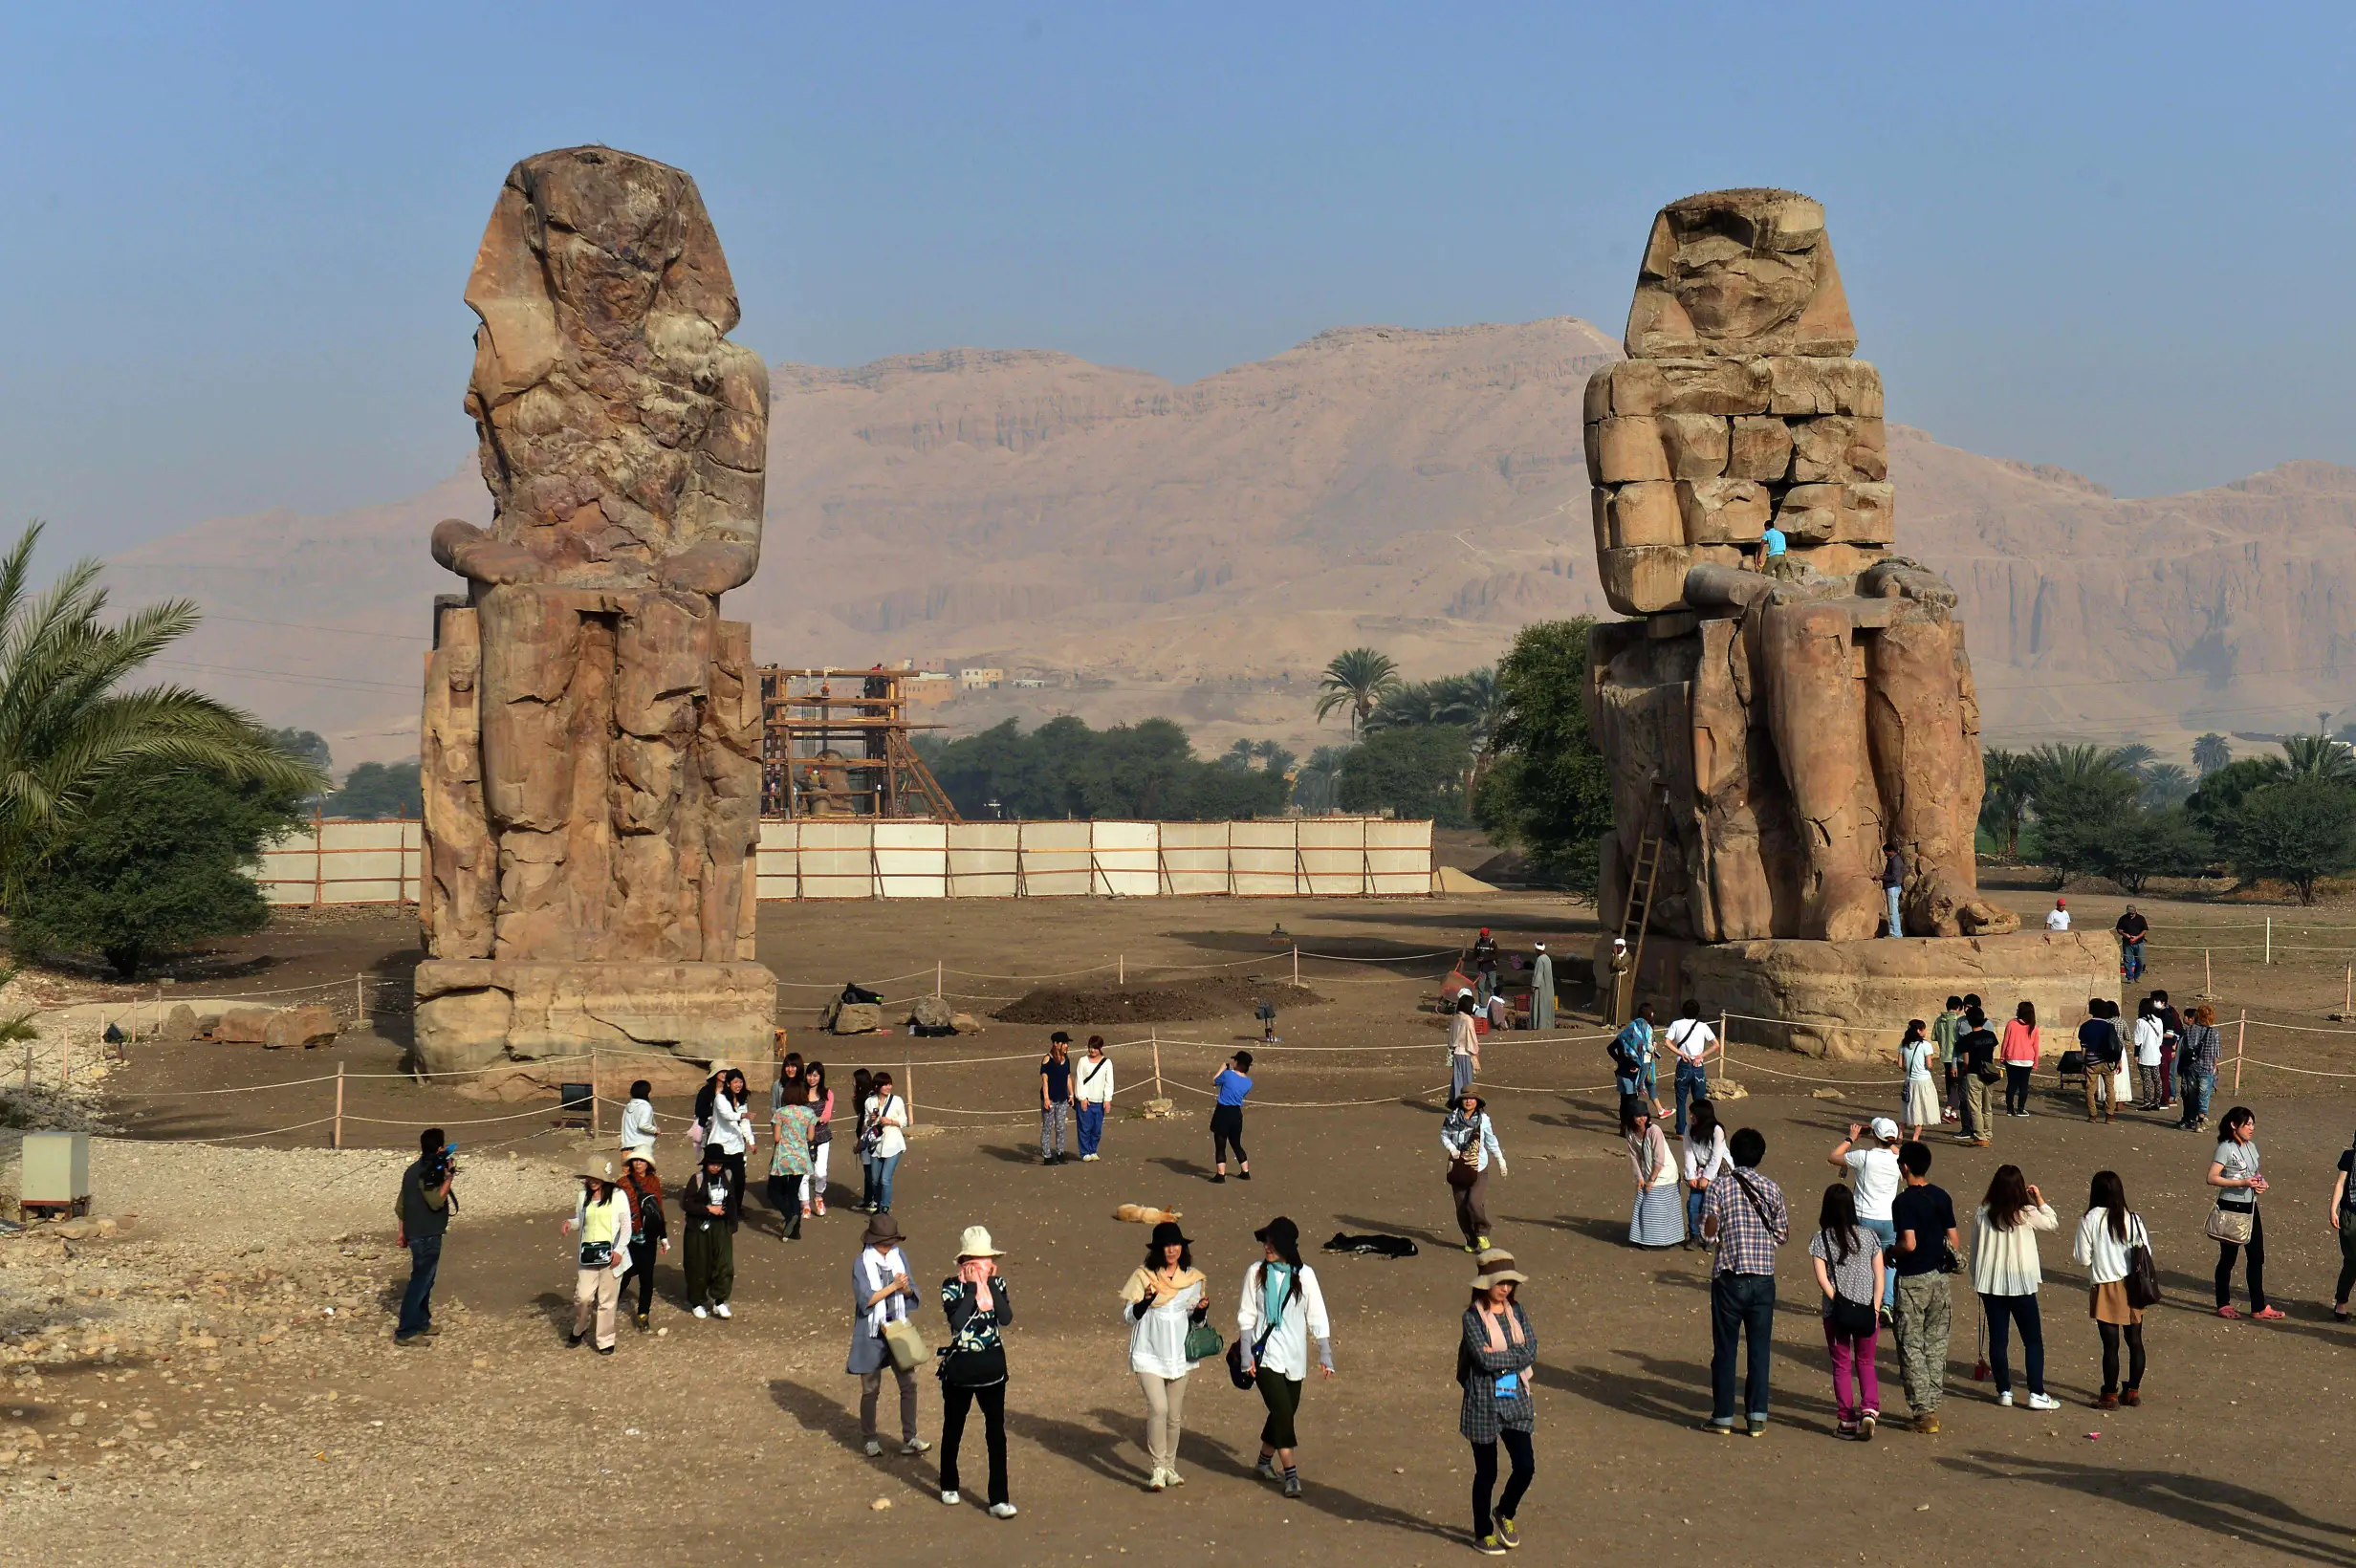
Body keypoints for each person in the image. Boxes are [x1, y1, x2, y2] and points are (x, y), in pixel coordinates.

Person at [1235, 1216, 1334, 1498]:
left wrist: (1325, 1353)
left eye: (1272, 1242)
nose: (1267, 1246)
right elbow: (1247, 1315)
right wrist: (1246, 1355)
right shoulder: (1255, 1272)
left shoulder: (1305, 1275)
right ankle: (1291, 1474)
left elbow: (1316, 1315)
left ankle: (1263, 1462)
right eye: (1266, 1241)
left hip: (1295, 1357)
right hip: (1264, 1356)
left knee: (1286, 1410)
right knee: (1282, 1412)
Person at [1700, 1126, 1787, 1436]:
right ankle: (1756, 1417)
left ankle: (1723, 1416)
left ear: (1732, 1154)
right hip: (1763, 1279)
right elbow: (1782, 1234)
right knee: (1759, 1350)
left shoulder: (1719, 1187)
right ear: (1760, 1155)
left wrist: (1716, 1230)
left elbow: (1708, 1235)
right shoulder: (1771, 1188)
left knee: (1725, 1349)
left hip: (1730, 1275)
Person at [1121, 1219, 1209, 1491]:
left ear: (1182, 1247)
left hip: (1180, 1355)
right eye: (1166, 1246)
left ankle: (1170, 1467)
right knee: (1159, 1408)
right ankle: (1157, 1468)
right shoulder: (1143, 1276)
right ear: (1157, 1250)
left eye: (1175, 1245)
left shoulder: (1192, 1278)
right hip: (1148, 1353)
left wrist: (1202, 1310)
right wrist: (1146, 1301)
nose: (1171, 1250)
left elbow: (1198, 1321)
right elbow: (1127, 1316)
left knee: (1174, 1415)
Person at [938, 1225, 1017, 1517]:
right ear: (963, 1262)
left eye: (986, 1259)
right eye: (975, 1260)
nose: (981, 1265)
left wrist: (992, 1286)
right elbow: (958, 1322)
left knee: (996, 1434)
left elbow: (1006, 1318)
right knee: (954, 1428)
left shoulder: (998, 1284)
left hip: (993, 1369)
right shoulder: (951, 1286)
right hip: (961, 1370)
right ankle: (949, 1484)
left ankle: (998, 1498)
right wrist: (972, 1288)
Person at [1459, 1252, 1536, 1555]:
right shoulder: (1471, 1317)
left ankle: (1505, 1511)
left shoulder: (1517, 1311)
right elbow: (1481, 1357)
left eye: (1509, 1283)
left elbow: (1531, 1351)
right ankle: (1482, 1533)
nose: (1505, 1289)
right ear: (1485, 1284)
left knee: (1526, 1466)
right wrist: (1512, 1358)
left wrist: (1501, 1358)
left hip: (1515, 1400)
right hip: (1483, 1403)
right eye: (1500, 1283)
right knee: (1487, 1473)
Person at [1971, 1164, 2061, 1408]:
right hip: (2021, 1284)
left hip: (1991, 1285)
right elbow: (2052, 1222)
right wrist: (2039, 1198)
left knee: (1998, 1341)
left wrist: (1976, 1281)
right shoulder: (2027, 1212)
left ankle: (2004, 1391)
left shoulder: (1983, 1212)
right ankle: (2036, 1393)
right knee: (2032, 1340)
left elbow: (1975, 1250)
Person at [1888, 1141, 1959, 1432]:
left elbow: (1909, 1243)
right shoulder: (1941, 1196)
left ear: (1904, 1167)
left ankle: (1924, 1411)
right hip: (1940, 1280)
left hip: (1912, 1281)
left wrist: (1890, 1253)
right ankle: (1933, 1401)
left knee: (1911, 1346)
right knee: (1936, 1346)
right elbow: (1954, 1242)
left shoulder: (1903, 1202)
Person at [847, 1213, 928, 1458]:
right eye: (885, 1242)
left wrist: (904, 1288)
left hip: (897, 1328)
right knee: (870, 1389)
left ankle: (910, 1437)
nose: (889, 1247)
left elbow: (912, 1291)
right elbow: (866, 1300)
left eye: (891, 1242)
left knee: (909, 1384)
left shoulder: (899, 1257)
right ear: (873, 1241)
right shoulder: (861, 1263)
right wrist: (893, 1287)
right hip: (872, 1332)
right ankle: (870, 1439)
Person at [1808, 1183, 1885, 1440]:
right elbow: (1879, 1273)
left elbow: (1822, 1278)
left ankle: (1846, 1420)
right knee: (1866, 1361)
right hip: (1866, 1309)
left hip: (1836, 1312)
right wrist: (1876, 1306)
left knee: (1841, 1364)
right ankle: (1870, 1409)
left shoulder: (1820, 1240)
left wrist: (1838, 1300)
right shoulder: (1869, 1236)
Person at [2072, 1170, 2150, 1408]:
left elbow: (2082, 1258)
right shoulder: (2132, 1218)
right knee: (2135, 1341)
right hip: (2132, 1286)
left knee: (2110, 1346)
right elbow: (2147, 1251)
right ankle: (2133, 1392)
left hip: (2105, 1286)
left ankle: (2110, 1394)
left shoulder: (2090, 1219)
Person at [2207, 1105, 2280, 1319]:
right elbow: (2212, 1177)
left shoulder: (2251, 1147)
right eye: (2247, 1124)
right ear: (2233, 1125)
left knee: (2257, 1257)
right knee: (2228, 1259)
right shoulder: (2225, 1148)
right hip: (2231, 1207)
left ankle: (2258, 1307)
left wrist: (2259, 1182)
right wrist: (2241, 1182)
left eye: (2252, 1124)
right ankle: (2223, 1303)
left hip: (2251, 1207)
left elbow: (2254, 1173)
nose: (2251, 1128)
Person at [1828, 1118, 1902, 1313]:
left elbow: (1834, 1157)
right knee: (1888, 1262)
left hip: (1862, 1217)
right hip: (1888, 1219)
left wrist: (1851, 1138)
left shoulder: (1863, 1157)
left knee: (1859, 1259)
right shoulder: (1898, 1161)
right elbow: (1901, 1156)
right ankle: (1886, 1303)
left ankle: (1859, 1299)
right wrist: (1891, 1142)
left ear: (1875, 1136)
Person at [562, 1164, 632, 1355]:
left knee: (607, 1300)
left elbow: (626, 1227)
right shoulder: (582, 1197)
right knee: (583, 1296)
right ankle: (581, 1325)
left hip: (611, 1255)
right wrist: (570, 1223)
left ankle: (605, 1340)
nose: (592, 1181)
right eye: (589, 1177)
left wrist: (618, 1251)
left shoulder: (618, 1197)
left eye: (596, 1177)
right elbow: (581, 1220)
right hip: (588, 1255)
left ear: (605, 1178)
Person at [393, 1127, 453, 1347]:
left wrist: (401, 1232)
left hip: (416, 1232)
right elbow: (436, 1201)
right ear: (439, 1147)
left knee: (426, 1279)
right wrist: (449, 1179)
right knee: (420, 1281)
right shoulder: (427, 1173)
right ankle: (406, 1331)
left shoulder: (411, 1171)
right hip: (426, 1234)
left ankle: (421, 1322)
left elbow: (401, 1206)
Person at [681, 1143, 740, 1320]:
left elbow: (732, 1202)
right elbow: (687, 1204)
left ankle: (719, 1301)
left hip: (721, 1227)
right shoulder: (697, 1179)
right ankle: (697, 1302)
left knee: (724, 1264)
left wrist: (732, 1226)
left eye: (719, 1164)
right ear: (706, 1163)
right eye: (712, 1163)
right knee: (698, 1265)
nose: (715, 1167)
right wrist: (707, 1209)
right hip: (699, 1228)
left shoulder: (728, 1177)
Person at [1443, 1092, 1507, 1253]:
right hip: (1458, 1168)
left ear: (1477, 1102)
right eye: (1465, 1099)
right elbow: (1444, 1135)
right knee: (1461, 1208)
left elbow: (1491, 1140)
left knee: (1474, 1202)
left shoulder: (1483, 1120)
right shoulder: (1451, 1118)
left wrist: (1501, 1160)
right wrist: (1452, 1148)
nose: (1469, 1101)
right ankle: (1470, 1240)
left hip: (1479, 1168)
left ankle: (1482, 1232)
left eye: (1472, 1099)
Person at [617, 1154, 667, 1331]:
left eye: (642, 1160)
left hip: (649, 1236)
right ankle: (609, 1303)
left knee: (647, 1277)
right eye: (635, 1161)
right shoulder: (622, 1183)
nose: (638, 1163)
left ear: (648, 1164)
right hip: (627, 1237)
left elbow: (658, 1209)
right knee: (625, 1273)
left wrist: (664, 1236)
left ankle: (643, 1314)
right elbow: (614, 1209)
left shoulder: (654, 1182)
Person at [1625, 1100, 1685, 1248]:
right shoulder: (1630, 1132)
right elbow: (1634, 1156)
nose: (1641, 1119)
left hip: (1665, 1171)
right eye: (1638, 1116)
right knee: (1645, 1204)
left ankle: (1669, 1239)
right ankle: (1646, 1238)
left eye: (1644, 1115)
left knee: (1661, 1206)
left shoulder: (1654, 1130)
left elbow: (1659, 1158)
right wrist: (1639, 1178)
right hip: (1649, 1171)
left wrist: (1652, 1180)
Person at [769, 1079, 818, 1241]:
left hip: (783, 1156)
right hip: (801, 1158)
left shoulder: (781, 1113)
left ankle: (789, 1216)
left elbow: (776, 1138)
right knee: (793, 1193)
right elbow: (811, 1136)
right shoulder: (809, 1113)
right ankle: (796, 1231)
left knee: (773, 1191)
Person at [1681, 1100, 1731, 1250]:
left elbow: (1716, 1157)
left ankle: (1710, 1238)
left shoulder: (1717, 1130)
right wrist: (1691, 1176)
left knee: (1712, 1206)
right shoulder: (1689, 1129)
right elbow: (1688, 1153)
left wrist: (1706, 1177)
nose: (1691, 1116)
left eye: (1693, 1113)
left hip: (1718, 1172)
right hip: (1698, 1170)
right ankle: (1694, 1236)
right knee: (1693, 1204)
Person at [1665, 1000, 1714, 1136]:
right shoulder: (1703, 1026)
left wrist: (1680, 1052)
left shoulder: (1676, 1024)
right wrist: (1701, 1055)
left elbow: (1667, 1042)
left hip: (1683, 1064)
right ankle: (1700, 1129)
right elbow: (1716, 1044)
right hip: (1698, 1065)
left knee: (1681, 1100)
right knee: (1700, 1101)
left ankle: (1681, 1130)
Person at [863, 1072, 908, 1214]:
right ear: (877, 1086)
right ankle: (878, 1204)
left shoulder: (897, 1101)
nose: (888, 1087)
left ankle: (884, 1207)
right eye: (885, 1084)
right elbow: (866, 1123)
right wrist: (872, 1119)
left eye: (890, 1084)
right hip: (876, 1144)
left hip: (893, 1143)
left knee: (885, 1179)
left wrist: (890, 1121)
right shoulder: (869, 1102)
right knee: (875, 1180)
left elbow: (904, 1121)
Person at [709, 1069, 755, 1199]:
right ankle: (716, 1205)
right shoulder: (720, 1098)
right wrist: (742, 1115)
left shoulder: (742, 1100)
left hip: (736, 1145)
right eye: (735, 1082)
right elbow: (727, 1115)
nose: (738, 1085)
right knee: (717, 1177)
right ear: (728, 1084)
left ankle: (736, 1208)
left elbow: (745, 1123)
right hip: (719, 1144)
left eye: (740, 1082)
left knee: (739, 1179)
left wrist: (751, 1141)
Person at [1957, 1005, 1998, 1145]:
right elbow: (1991, 1052)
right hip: (1989, 1073)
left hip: (1974, 1074)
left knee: (1975, 1107)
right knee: (1987, 1107)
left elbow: (1966, 1061)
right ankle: (1988, 1133)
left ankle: (1980, 1136)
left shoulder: (1967, 1039)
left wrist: (1965, 1070)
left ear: (1969, 1021)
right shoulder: (1990, 1035)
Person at [2177, 1005, 2222, 1133]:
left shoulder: (2190, 1029)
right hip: (2206, 1067)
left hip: (2190, 1066)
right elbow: (2216, 1053)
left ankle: (2188, 1119)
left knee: (2189, 1093)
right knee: (2204, 1094)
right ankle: (2200, 1121)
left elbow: (2184, 1048)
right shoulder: (2214, 1033)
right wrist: (2214, 1067)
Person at [1211, 1052, 1253, 1183]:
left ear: (1238, 1063)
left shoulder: (1228, 1075)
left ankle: (1220, 1175)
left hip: (1223, 1111)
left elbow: (1213, 1082)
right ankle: (1245, 1172)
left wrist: (1222, 1069)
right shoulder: (1248, 1082)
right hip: (1236, 1114)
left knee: (1220, 1144)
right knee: (1236, 1143)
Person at [2078, 998, 2122, 1122]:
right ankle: (2110, 1115)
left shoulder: (2085, 1027)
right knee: (2110, 1089)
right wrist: (2118, 1061)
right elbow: (2115, 1045)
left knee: (2090, 1089)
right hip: (2108, 1061)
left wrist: (2083, 1062)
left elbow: (2084, 1048)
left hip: (2092, 1062)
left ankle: (2092, 1115)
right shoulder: (2109, 1026)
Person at [802, 1059, 837, 1215]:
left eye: (815, 1075)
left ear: (821, 1077)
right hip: (803, 1137)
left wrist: (815, 1120)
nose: (812, 1078)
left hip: (822, 1135)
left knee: (821, 1171)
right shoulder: (801, 1093)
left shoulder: (827, 1093)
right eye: (809, 1075)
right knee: (804, 1172)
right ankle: (805, 1203)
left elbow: (827, 1115)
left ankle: (818, 1197)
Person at [1073, 1035, 1115, 1162]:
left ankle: (1093, 1150)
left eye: (1095, 1048)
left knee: (1096, 1129)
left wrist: (1107, 1099)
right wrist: (1082, 1097)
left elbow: (1109, 1082)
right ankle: (1084, 1152)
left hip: (1099, 1101)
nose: (1092, 1051)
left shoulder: (1107, 1062)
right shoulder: (1083, 1061)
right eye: (1091, 1047)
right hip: (1086, 1100)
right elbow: (1079, 1080)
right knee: (1084, 1128)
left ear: (1100, 1048)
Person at [1999, 1000, 2040, 1117]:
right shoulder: (2033, 1027)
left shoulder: (2011, 1024)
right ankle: (2020, 1109)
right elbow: (2036, 1047)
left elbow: (2005, 1041)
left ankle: (2009, 1109)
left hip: (2012, 1058)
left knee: (2011, 1084)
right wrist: (2036, 1062)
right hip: (2027, 1060)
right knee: (2024, 1085)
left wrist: (2002, 1056)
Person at [1038, 1032, 1075, 1165]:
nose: (1066, 1046)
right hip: (1051, 1098)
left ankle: (1060, 1152)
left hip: (1062, 1098)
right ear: (1056, 1044)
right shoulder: (1048, 1059)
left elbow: (1068, 1077)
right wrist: (1047, 1099)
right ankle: (1047, 1155)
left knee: (1061, 1127)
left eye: (1066, 1043)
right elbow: (1045, 1080)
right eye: (1063, 1043)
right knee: (1047, 1127)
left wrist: (1071, 1094)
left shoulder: (1066, 1059)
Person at [1608, 1001, 1653, 1109]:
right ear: (1649, 1014)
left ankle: (1624, 1125)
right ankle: (1629, 1124)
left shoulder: (1625, 1034)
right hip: (1633, 1072)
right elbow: (1648, 1048)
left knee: (1623, 1101)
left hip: (1621, 1071)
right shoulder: (1647, 1030)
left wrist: (1619, 1060)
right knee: (1632, 1102)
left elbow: (1610, 1048)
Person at [1900, 1020, 1939, 1142]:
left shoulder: (1904, 1044)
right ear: (1919, 1030)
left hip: (1909, 1080)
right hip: (1923, 1081)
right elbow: (1929, 1065)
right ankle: (1915, 1137)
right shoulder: (1925, 1045)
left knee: (1906, 1108)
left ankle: (1900, 1136)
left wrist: (1908, 1069)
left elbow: (1901, 1065)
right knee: (1920, 1109)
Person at [2333, 1128, 2356, 1321]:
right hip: (2351, 1214)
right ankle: (2341, 1303)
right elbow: (2340, 1184)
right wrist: (2333, 1209)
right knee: (2352, 1261)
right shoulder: (2350, 1156)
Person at [1931, 996, 1965, 1124]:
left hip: (1945, 1056)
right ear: (1958, 1008)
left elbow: (1934, 1036)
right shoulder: (1958, 1021)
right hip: (1956, 1057)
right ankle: (1947, 1111)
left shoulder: (1939, 1020)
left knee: (1950, 1084)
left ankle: (1953, 1113)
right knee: (1958, 1085)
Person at [2132, 999, 2166, 1112]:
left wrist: (2136, 1054)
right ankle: (2157, 1101)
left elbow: (2138, 1040)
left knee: (2147, 1079)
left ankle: (2147, 1102)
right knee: (2157, 1079)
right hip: (2156, 1054)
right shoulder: (2159, 1021)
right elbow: (2160, 1039)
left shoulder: (2140, 1022)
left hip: (2144, 1054)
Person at [1450, 992, 1483, 1102]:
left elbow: (1451, 1036)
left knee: (1457, 1079)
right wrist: (1475, 1052)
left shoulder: (1456, 1017)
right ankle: (1465, 1102)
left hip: (1456, 1052)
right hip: (1465, 1052)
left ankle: (1455, 1101)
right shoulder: (1468, 1019)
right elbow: (1472, 1037)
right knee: (1466, 1080)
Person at [2152, 990, 2182, 1111]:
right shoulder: (2158, 1012)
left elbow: (2175, 1032)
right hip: (2162, 1046)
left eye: (2155, 1000)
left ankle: (2169, 1097)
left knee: (2168, 1074)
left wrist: (2174, 1046)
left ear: (2162, 1002)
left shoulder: (2168, 1014)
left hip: (2168, 1046)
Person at [619, 1078, 659, 1162]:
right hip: (641, 1150)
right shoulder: (645, 1106)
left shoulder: (628, 1106)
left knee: (627, 1175)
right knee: (643, 1174)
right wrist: (655, 1130)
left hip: (626, 1149)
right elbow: (643, 1125)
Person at [2115, 904, 2149, 983]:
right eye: (2129, 913)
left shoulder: (2141, 919)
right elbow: (2119, 929)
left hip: (2139, 943)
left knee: (2140, 960)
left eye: (2132, 913)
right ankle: (2130, 977)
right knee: (2128, 961)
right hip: (2127, 943)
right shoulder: (2123, 918)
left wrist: (2137, 937)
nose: (2131, 914)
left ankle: (2136, 976)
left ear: (2135, 911)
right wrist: (2125, 935)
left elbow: (2145, 930)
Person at [1605, 936, 1634, 1027]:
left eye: (1620, 946)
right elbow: (1611, 967)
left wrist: (1616, 958)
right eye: (1617, 946)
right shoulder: (1614, 956)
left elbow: (1619, 966)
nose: (1618, 948)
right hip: (1615, 980)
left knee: (1622, 1001)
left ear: (1623, 947)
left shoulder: (1627, 956)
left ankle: (1621, 1022)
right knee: (1612, 1000)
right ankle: (1610, 1021)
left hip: (1624, 982)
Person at [1879, 841, 1907, 939]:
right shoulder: (1893, 859)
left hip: (1893, 887)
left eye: (1885, 852)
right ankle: (1895, 932)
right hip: (1893, 887)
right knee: (1893, 910)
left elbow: (1894, 877)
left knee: (1893, 911)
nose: (1885, 854)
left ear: (1890, 851)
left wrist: (1881, 877)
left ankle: (1896, 933)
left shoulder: (1895, 861)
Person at [1529, 942, 1556, 1032]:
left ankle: (1539, 1026)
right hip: (1548, 988)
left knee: (1539, 1006)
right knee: (1547, 1007)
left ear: (1537, 950)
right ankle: (1548, 1026)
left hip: (1541, 988)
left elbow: (1538, 975)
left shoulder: (1540, 959)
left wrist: (1534, 986)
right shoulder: (1547, 958)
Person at [1471, 926, 1500, 1005]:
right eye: (1484, 935)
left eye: (1486, 935)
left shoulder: (1492, 942)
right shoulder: (1478, 942)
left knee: (1492, 987)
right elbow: (1475, 955)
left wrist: (1484, 959)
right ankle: (1482, 1005)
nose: (1485, 937)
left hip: (1491, 968)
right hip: (1482, 969)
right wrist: (1464, 959)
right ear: (1481, 935)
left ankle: (1493, 1005)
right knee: (1480, 987)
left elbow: (1496, 955)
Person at [770, 1051, 805, 1116]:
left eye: (793, 1066)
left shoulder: (805, 1084)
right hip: (783, 1122)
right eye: (787, 1066)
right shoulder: (777, 1085)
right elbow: (774, 1107)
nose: (790, 1069)